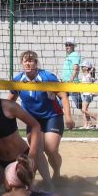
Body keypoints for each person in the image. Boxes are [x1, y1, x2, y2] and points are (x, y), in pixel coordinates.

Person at [9, 50, 74, 183]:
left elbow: (63, 96)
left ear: (36, 63)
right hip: (32, 120)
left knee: (51, 149)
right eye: (25, 61)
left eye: (31, 61)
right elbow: (10, 101)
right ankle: (48, 183)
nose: (28, 63)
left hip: (52, 116)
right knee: (36, 150)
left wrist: (68, 117)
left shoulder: (47, 77)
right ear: (22, 63)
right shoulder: (18, 80)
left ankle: (56, 172)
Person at [79, 59, 98, 129]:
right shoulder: (84, 75)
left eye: (83, 66)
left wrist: (91, 69)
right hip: (84, 94)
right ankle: (87, 124)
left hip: (88, 94)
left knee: (84, 110)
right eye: (82, 66)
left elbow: (92, 73)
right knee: (84, 110)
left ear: (86, 68)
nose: (81, 68)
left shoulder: (89, 75)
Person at [62, 38, 82, 114]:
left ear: (73, 46)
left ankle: (89, 119)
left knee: (80, 106)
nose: (67, 46)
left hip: (72, 83)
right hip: (65, 83)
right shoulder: (68, 56)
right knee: (61, 103)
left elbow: (76, 69)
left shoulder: (74, 55)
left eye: (69, 45)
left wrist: (71, 80)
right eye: (66, 45)